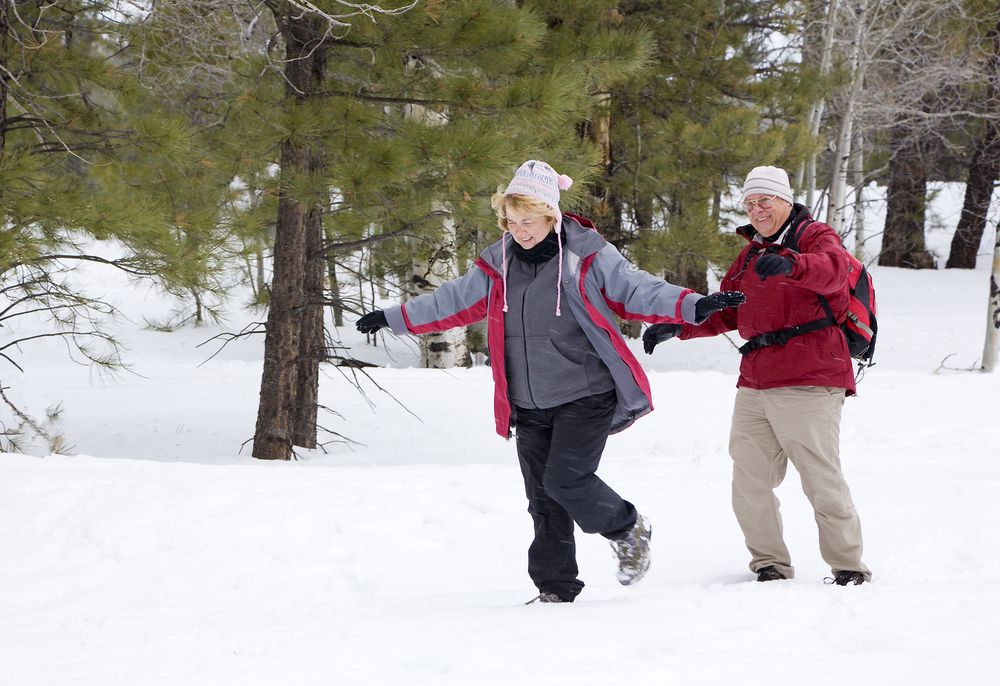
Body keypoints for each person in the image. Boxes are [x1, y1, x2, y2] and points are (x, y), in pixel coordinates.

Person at [357, 160, 745, 603]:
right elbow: (452, 302)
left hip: (586, 393)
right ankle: (555, 589)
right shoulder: (498, 264)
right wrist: (394, 317)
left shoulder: (586, 254)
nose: (521, 231)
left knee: (566, 480)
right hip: (529, 402)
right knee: (542, 500)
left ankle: (627, 526)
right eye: (512, 221)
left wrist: (693, 304)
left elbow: (635, 289)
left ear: (551, 216)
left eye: (530, 221)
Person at [643, 165, 872, 586]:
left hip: (810, 374)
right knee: (749, 479)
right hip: (755, 380)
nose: (757, 209)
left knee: (820, 477)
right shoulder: (751, 252)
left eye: (765, 200)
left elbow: (834, 271)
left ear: (786, 200)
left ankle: (848, 567)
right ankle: (770, 564)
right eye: (749, 203)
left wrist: (793, 265)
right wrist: (679, 326)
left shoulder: (815, 237)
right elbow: (729, 309)